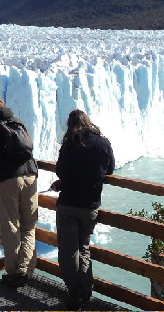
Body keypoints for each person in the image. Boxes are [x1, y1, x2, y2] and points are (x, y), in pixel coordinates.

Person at [51, 110, 115, 311]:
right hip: (90, 206)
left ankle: (75, 293)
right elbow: (110, 169)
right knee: (84, 246)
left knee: (69, 252)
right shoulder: (103, 143)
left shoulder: (69, 143)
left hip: (68, 204)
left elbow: (60, 171)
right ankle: (85, 290)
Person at [0, 97, 37, 288]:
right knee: (29, 224)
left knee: (11, 226)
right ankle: (26, 268)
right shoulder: (17, 122)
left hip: (8, 178)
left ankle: (14, 272)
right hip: (30, 175)